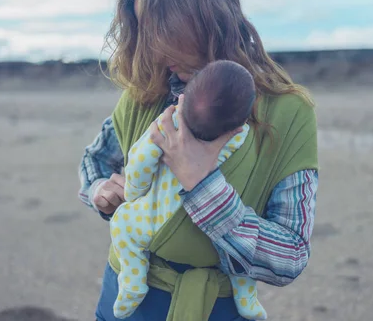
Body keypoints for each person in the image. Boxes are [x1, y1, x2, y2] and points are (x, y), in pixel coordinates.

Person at [78, 0, 319, 321]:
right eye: (145, 30)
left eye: (164, 28)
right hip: (125, 298)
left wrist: (204, 186)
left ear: (209, 15)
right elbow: (94, 160)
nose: (154, 46)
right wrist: (100, 192)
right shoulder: (146, 94)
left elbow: (289, 257)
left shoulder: (288, 113)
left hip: (219, 308)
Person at [110, 60, 266, 320]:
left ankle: (133, 282)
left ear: (182, 99)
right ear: (238, 121)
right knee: (238, 254)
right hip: (217, 231)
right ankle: (247, 297)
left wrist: (133, 194)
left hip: (158, 221)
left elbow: (139, 162)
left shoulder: (167, 126)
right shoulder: (240, 136)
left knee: (123, 223)